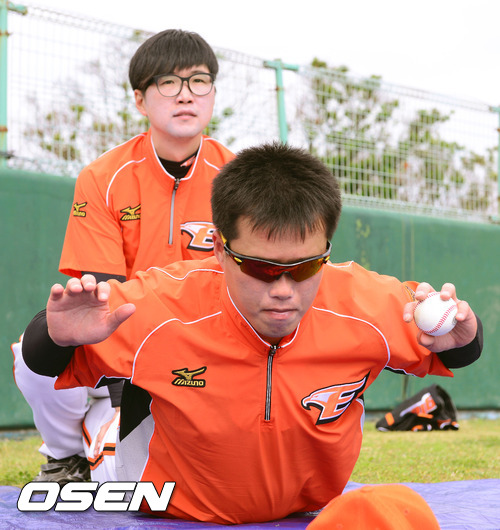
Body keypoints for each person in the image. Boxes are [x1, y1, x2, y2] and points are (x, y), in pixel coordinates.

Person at [22, 142, 482, 525]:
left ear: (326, 250)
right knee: (35, 359)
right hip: (168, 505)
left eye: (306, 266)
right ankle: (74, 449)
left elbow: (457, 350)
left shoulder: (366, 302)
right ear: (220, 249)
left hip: (305, 509)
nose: (283, 290)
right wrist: (57, 336)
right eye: (261, 267)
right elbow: (40, 361)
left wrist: (463, 336)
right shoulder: (164, 303)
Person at [12, 28, 234, 485]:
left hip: (206, 357)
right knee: (33, 355)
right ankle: (65, 455)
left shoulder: (239, 178)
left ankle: (106, 437)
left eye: (199, 81)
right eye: (168, 82)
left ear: (212, 93)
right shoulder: (104, 176)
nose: (186, 94)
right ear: (140, 100)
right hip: (121, 354)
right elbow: (104, 299)